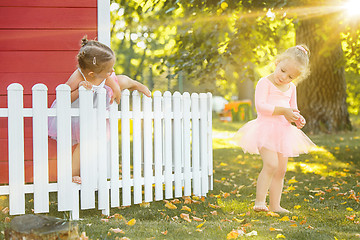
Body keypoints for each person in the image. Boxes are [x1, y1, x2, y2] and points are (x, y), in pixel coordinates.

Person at [48, 37, 151, 184]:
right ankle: (70, 175)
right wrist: (80, 89)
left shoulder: (104, 73)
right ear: (91, 74)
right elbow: (64, 97)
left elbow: (111, 79)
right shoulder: (78, 76)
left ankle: (136, 84)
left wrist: (115, 88)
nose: (112, 70)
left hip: (96, 104)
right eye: (109, 70)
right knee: (83, 145)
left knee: (121, 80)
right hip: (76, 112)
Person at [232, 45, 315, 213]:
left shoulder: (292, 88)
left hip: (284, 132)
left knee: (281, 170)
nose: (284, 77)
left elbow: (293, 108)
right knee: (271, 164)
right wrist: (283, 111)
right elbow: (261, 107)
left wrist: (298, 118)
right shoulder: (265, 82)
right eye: (283, 70)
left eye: (290, 76)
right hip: (266, 130)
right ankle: (259, 202)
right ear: (277, 62)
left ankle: (275, 205)